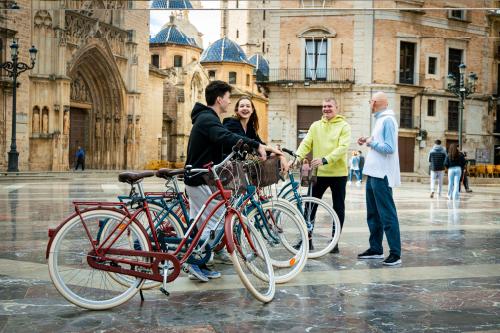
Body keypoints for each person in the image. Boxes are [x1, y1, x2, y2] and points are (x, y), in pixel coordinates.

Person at [184, 80, 284, 282]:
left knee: (204, 222)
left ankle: (200, 260)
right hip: (199, 177)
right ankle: (194, 262)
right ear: (220, 99)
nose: (229, 103)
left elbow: (225, 138)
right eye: (228, 99)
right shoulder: (207, 119)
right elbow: (225, 136)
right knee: (215, 221)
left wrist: (259, 146)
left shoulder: (207, 118)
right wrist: (255, 146)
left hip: (202, 176)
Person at [293, 97, 351, 253]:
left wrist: (325, 159)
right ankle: (307, 239)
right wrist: (297, 157)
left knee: (338, 208)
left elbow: (343, 148)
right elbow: (306, 143)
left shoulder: (344, 126)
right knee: (310, 206)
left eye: (329, 106)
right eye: (324, 106)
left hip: (338, 174)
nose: (326, 109)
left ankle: (334, 242)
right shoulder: (315, 126)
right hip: (318, 173)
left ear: (336, 108)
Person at [357, 91, 402, 266]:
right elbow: (380, 143)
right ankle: (375, 249)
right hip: (373, 173)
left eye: (370, 101)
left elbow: (389, 148)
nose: (369, 104)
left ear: (375, 102)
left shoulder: (388, 120)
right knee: (373, 214)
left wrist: (370, 143)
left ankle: (395, 253)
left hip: (382, 175)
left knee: (387, 214)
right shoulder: (380, 120)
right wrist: (368, 139)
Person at [222, 96, 288, 168]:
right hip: (226, 164)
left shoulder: (250, 127)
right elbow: (245, 141)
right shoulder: (231, 123)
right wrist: (271, 149)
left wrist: (278, 154)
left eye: (248, 106)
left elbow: (259, 143)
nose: (245, 108)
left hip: (240, 166)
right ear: (237, 110)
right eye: (242, 106)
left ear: (252, 110)